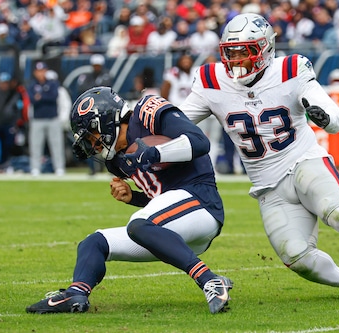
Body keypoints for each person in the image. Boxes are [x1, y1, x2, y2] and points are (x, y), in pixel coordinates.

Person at [179, 13, 339, 304]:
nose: (235, 60)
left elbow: (337, 118)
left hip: (303, 162)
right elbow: (178, 122)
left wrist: (325, 117)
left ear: (264, 49)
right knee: (297, 258)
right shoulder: (211, 80)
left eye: (243, 52)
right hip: (268, 186)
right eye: (230, 53)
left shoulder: (290, 69)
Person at [25, 86, 232, 314]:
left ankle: (210, 280)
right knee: (93, 242)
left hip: (202, 204)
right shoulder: (116, 161)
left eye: (92, 136)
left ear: (104, 122)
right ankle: (76, 294)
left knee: (138, 224)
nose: (94, 146)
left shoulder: (146, 112)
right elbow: (161, 201)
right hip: (171, 229)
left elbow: (200, 143)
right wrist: (133, 197)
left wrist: (152, 153)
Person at [27, 61, 65, 176]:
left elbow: (54, 97)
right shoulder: (32, 85)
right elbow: (32, 100)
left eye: (43, 71)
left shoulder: (53, 83)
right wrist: (45, 95)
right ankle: (35, 168)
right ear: (35, 72)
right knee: (36, 144)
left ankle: (59, 167)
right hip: (38, 118)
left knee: (56, 144)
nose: (41, 73)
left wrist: (41, 96)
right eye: (38, 71)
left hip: (53, 118)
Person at [0, 73, 24, 170]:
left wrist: (16, 122)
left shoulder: (14, 94)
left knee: (8, 145)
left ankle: (4, 164)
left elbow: (18, 109)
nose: (4, 85)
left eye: (6, 83)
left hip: (8, 123)